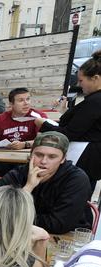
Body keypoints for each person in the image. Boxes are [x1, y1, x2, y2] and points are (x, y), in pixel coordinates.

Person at [35, 50, 101, 193]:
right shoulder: (94, 100)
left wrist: (43, 124)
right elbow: (86, 124)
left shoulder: (95, 101)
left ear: (95, 78)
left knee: (76, 197)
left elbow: (70, 133)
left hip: (85, 160)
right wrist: (64, 112)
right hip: (90, 159)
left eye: (82, 80)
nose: (79, 84)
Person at [0, 131, 91, 235]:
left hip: (67, 238)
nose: (43, 161)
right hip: (19, 234)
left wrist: (15, 218)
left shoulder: (76, 179)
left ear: (63, 159)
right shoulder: (16, 175)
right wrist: (28, 187)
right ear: (30, 155)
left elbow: (58, 225)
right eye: (39, 155)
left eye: (52, 157)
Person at [0, 88, 48, 180]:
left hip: (28, 159)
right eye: (21, 100)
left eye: (28, 99)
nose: (26, 103)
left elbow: (45, 141)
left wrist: (25, 144)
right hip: (5, 158)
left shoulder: (39, 117)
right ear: (11, 104)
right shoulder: (1, 118)